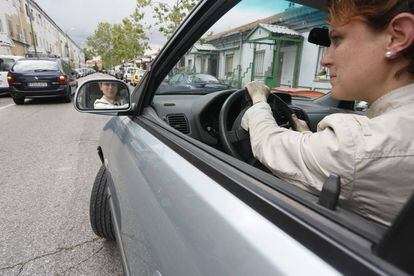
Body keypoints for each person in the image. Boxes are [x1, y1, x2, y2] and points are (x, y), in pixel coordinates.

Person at [241, 0, 414, 226]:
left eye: (337, 39)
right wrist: (306, 138)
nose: (325, 59)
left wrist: (258, 99)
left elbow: (268, 143)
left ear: (397, 36)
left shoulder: (361, 145)